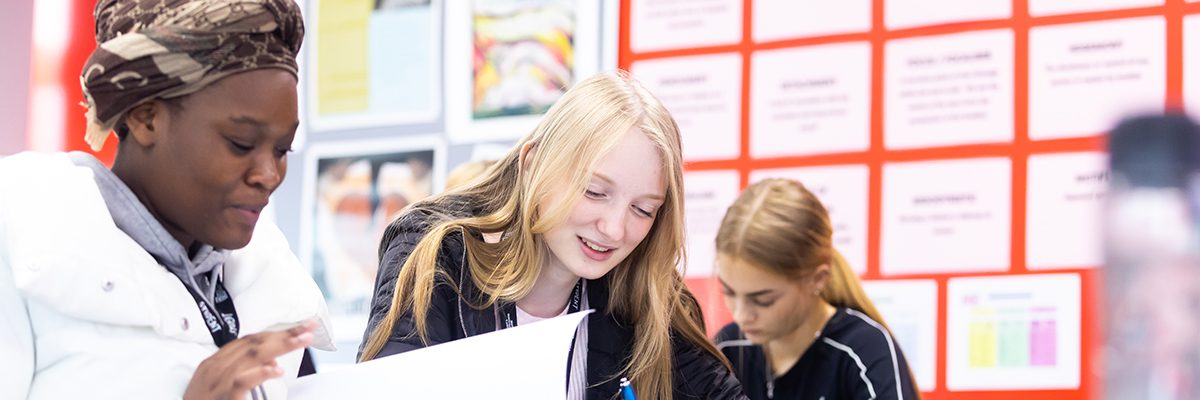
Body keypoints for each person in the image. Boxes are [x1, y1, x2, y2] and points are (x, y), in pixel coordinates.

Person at [0, 0, 333, 398]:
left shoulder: (274, 283)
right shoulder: (20, 235)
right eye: (240, 144)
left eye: (282, 150)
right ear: (145, 117)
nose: (269, 175)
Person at [358, 71, 746, 400]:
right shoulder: (433, 252)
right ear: (532, 166)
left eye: (643, 209)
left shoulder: (645, 289)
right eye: (594, 192)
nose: (614, 229)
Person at [712, 179, 919, 400]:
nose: (741, 315)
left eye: (763, 299)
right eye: (729, 292)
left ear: (817, 279)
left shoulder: (864, 351)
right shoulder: (728, 348)